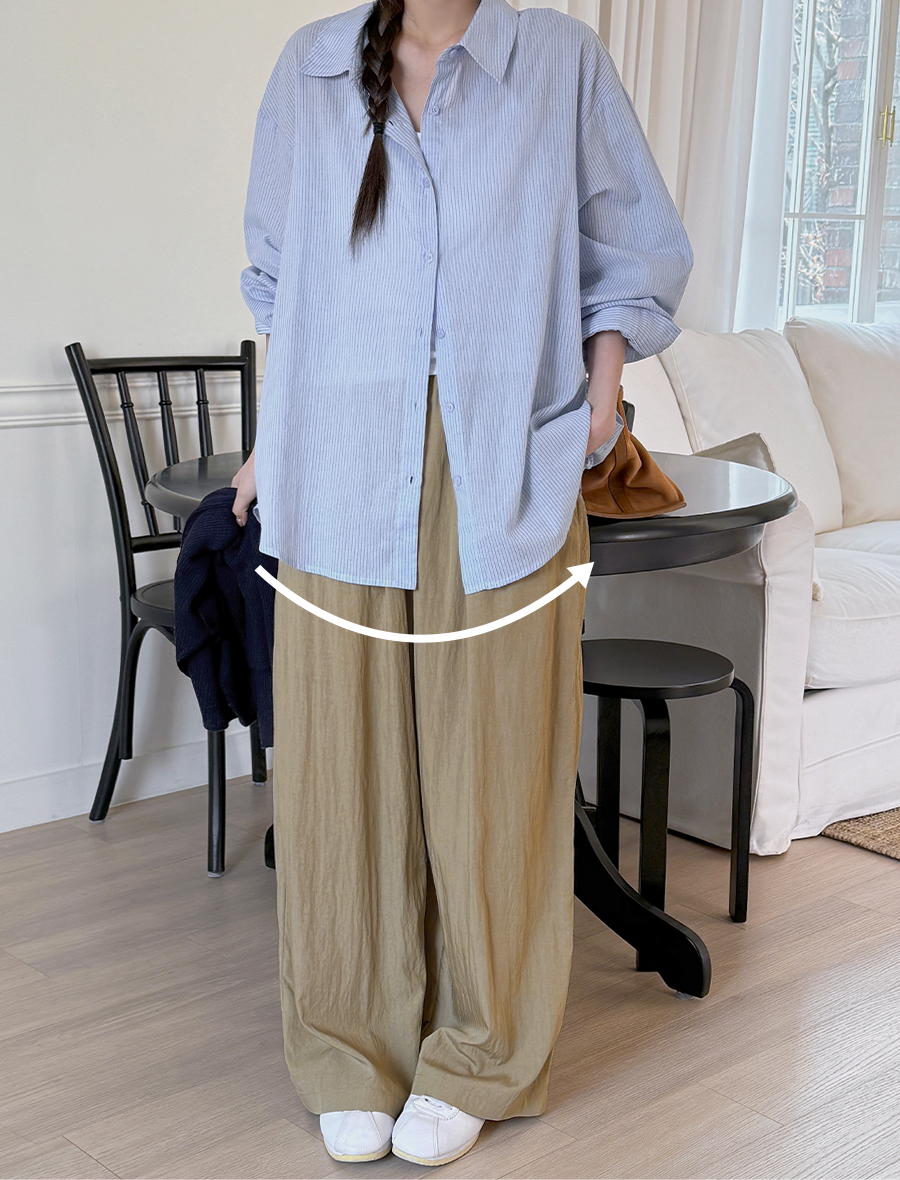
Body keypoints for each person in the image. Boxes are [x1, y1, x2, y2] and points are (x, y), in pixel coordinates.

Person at [232, 0, 693, 1167]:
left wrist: (601, 396)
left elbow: (628, 247)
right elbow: (282, 275)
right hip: (340, 455)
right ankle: (350, 1047)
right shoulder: (310, 68)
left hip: (505, 455)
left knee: (496, 762)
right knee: (342, 764)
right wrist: (272, 444)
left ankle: (480, 1052)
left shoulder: (561, 62)